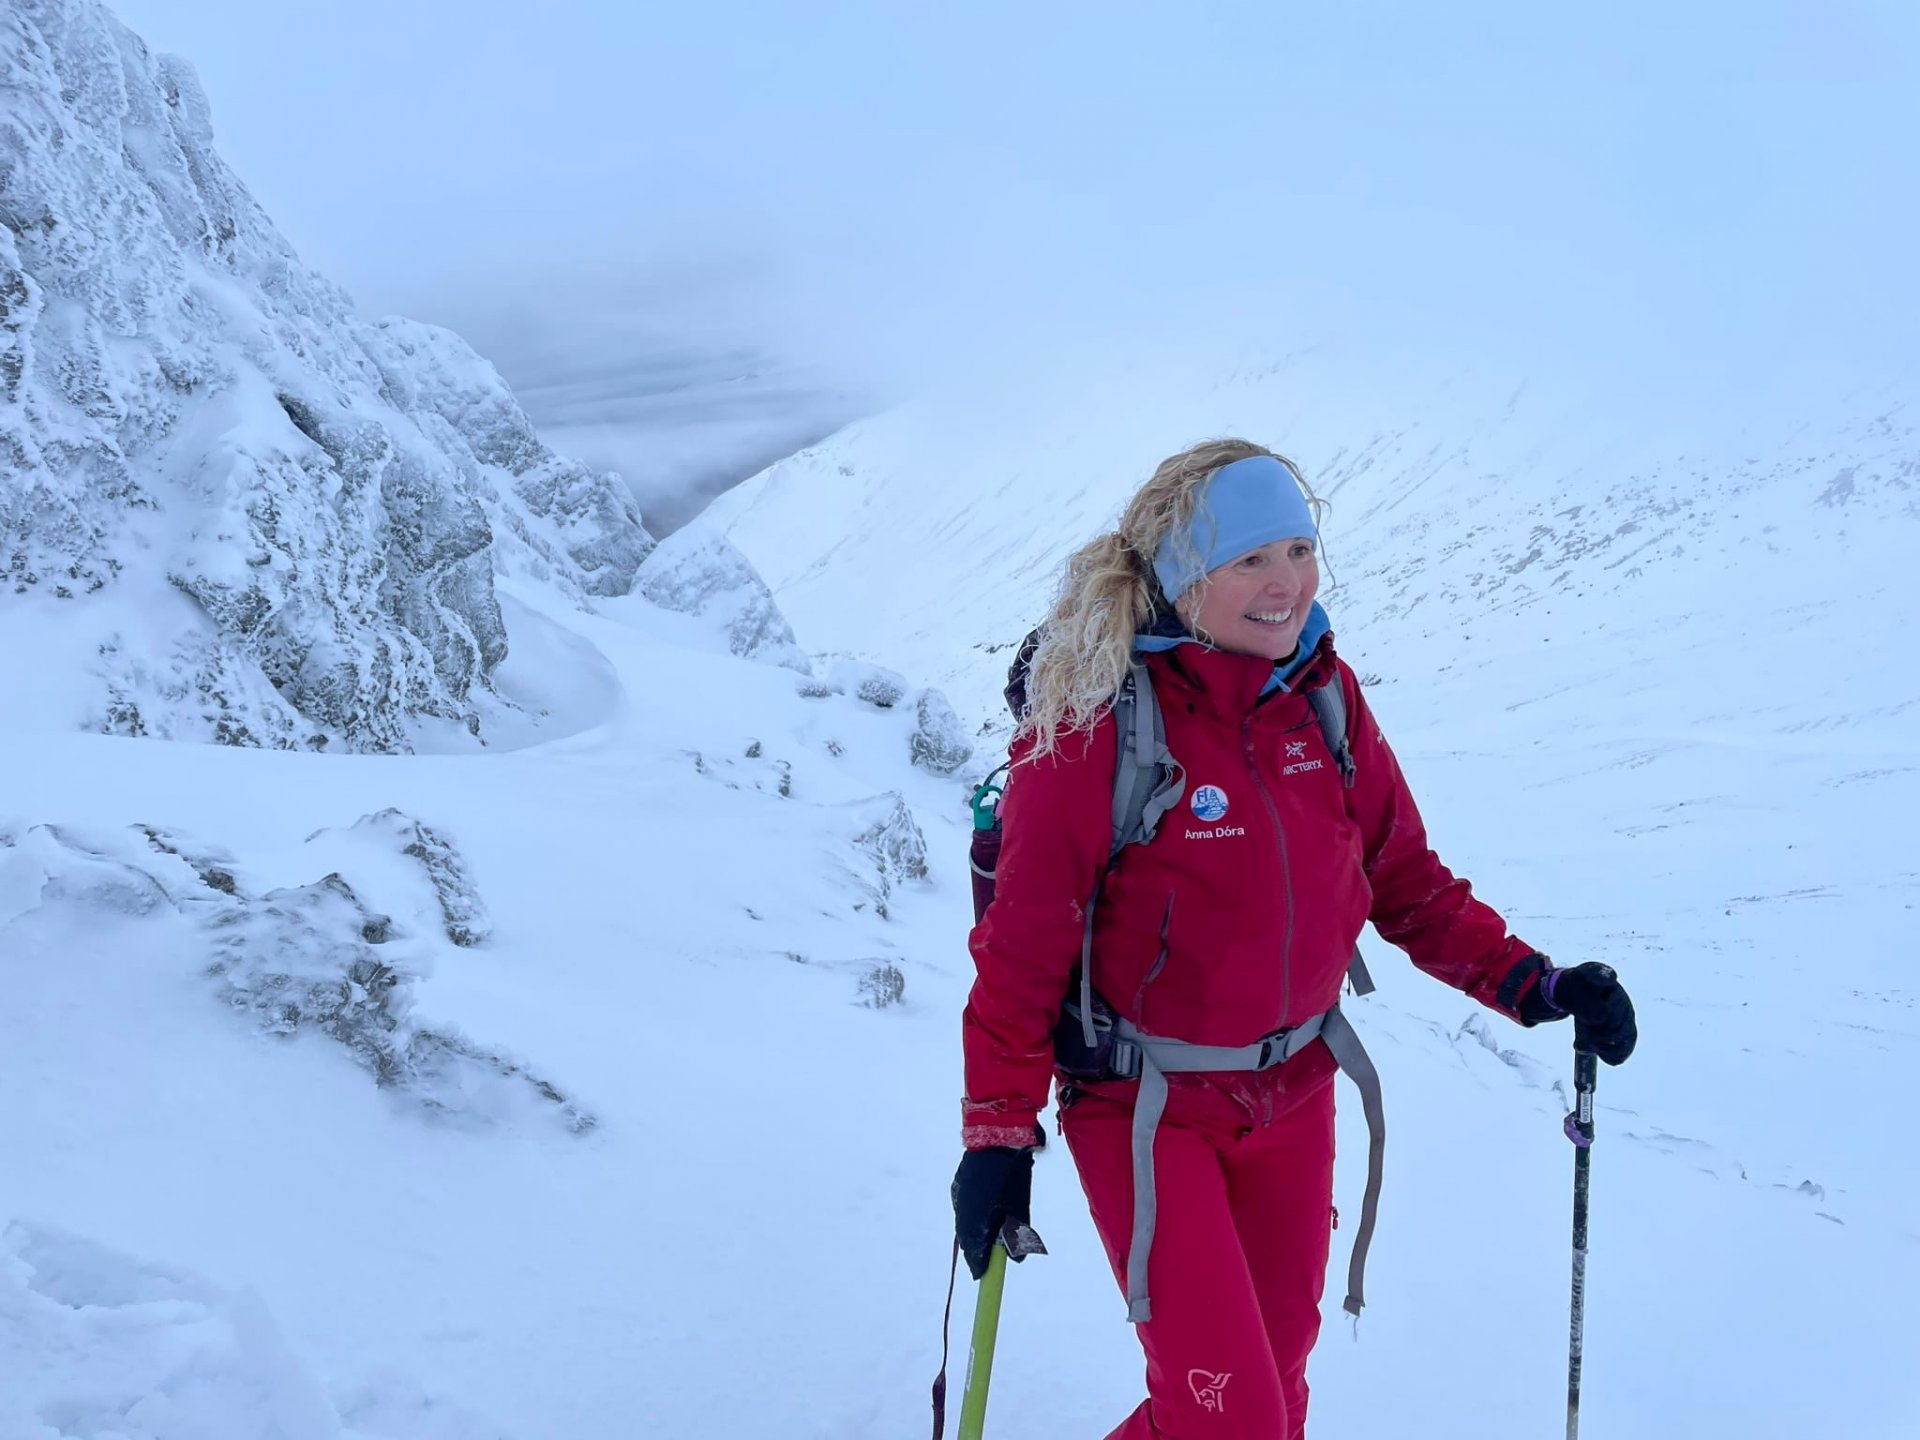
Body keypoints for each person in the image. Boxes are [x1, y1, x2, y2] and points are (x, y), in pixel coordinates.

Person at [951, 438, 1637, 1439]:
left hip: (1296, 1093)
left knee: (1272, 1396)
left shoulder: (1321, 696)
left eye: (1299, 550)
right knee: (1229, 1419)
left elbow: (1403, 880)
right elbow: (1023, 952)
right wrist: (997, 1134)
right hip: (1149, 1110)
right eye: (1250, 560)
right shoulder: (1100, 725)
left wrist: (1533, 983)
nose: (1285, 584)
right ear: (1186, 579)